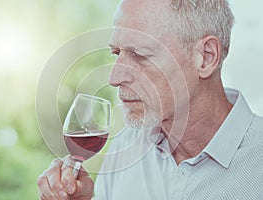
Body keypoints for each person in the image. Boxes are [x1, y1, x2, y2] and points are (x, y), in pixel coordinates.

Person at [37, 0, 263, 199]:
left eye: (139, 55)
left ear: (206, 57)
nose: (114, 78)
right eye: (116, 53)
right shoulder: (126, 145)